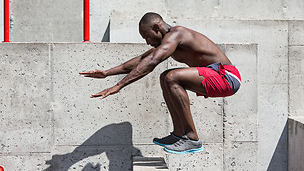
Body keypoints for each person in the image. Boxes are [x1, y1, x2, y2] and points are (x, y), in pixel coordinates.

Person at [79, 12, 241, 154]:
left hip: (227, 77)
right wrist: (107, 73)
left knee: (172, 77)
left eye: (147, 37)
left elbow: (151, 62)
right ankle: (179, 135)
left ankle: (191, 138)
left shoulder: (176, 35)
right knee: (166, 77)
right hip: (216, 77)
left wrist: (119, 85)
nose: (148, 42)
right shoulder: (168, 42)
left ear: (157, 28)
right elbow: (142, 60)